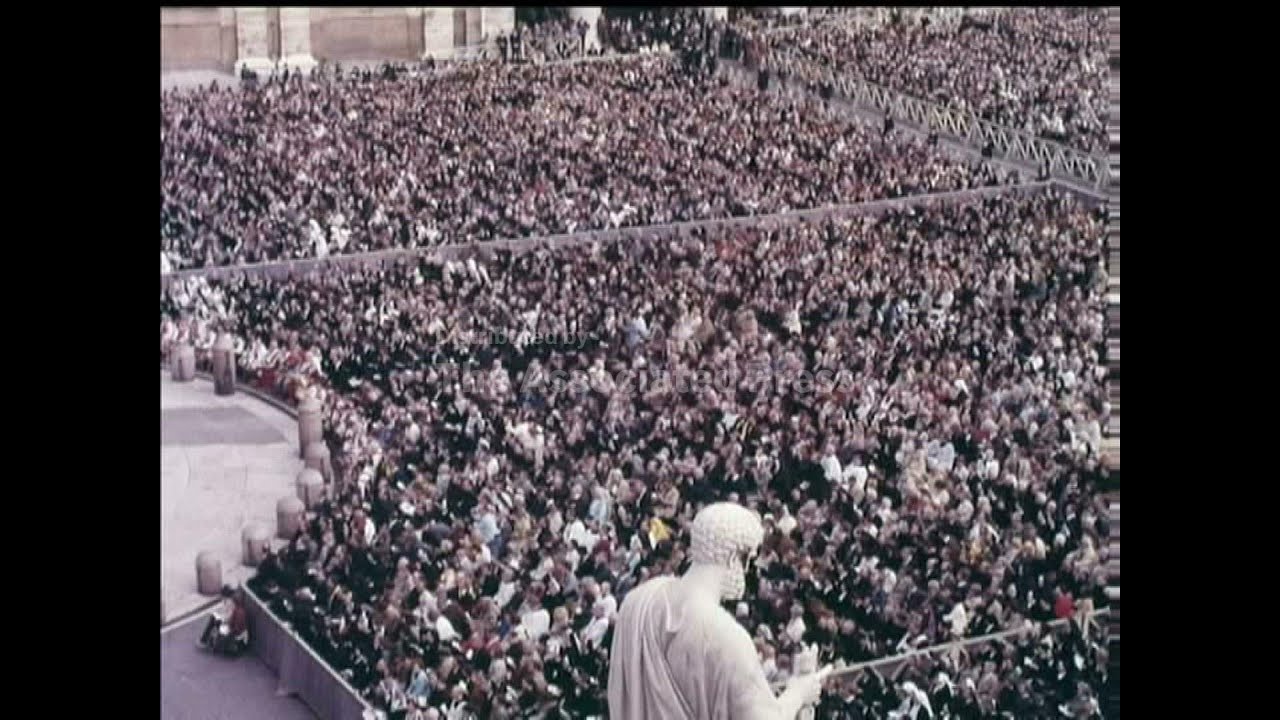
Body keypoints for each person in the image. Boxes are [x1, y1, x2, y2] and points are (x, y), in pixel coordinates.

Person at [608, 502, 831, 719]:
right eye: (748, 560)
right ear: (734, 558)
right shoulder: (728, 638)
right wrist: (799, 692)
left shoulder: (638, 601)